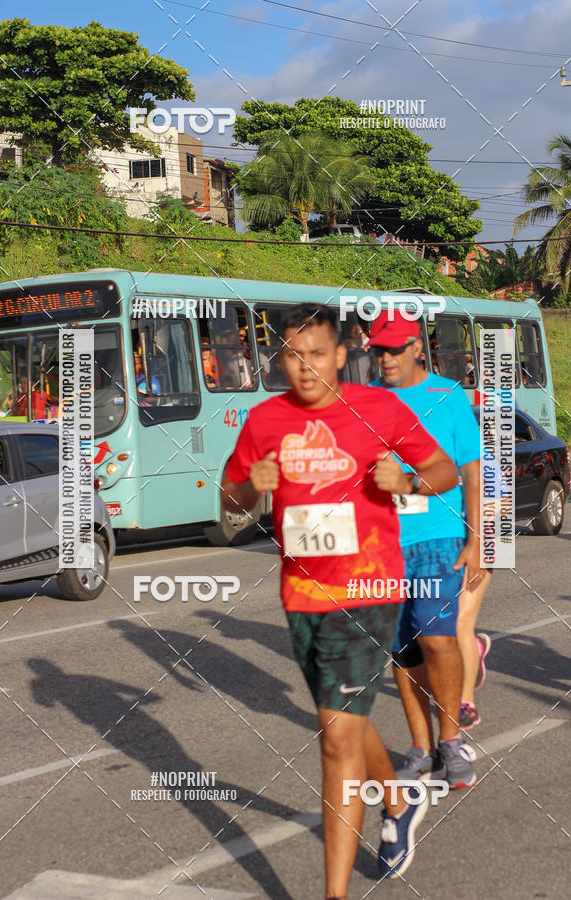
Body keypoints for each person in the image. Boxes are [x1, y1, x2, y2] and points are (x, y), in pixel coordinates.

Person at [221, 305, 459, 896]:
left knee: (334, 740)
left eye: (319, 355)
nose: (306, 369)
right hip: (303, 594)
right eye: (294, 356)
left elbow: (444, 471)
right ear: (281, 359)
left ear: (342, 355)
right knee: (342, 722)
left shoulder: (379, 408)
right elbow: (228, 505)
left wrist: (404, 483)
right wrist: (255, 487)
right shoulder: (265, 420)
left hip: (372, 585)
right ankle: (399, 800)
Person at [368, 311, 486, 789]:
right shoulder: (367, 400)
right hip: (384, 543)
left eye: (395, 348)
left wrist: (478, 538)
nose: (386, 358)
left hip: (439, 536)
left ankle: (451, 738)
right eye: (379, 349)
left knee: (437, 637)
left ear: (418, 347)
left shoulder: (448, 397)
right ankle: (422, 749)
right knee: (402, 649)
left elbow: (472, 471)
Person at [457, 576, 492, 729]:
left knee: (460, 623)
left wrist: (484, 556)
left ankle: (466, 704)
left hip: (478, 554)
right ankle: (475, 649)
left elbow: (504, 553)